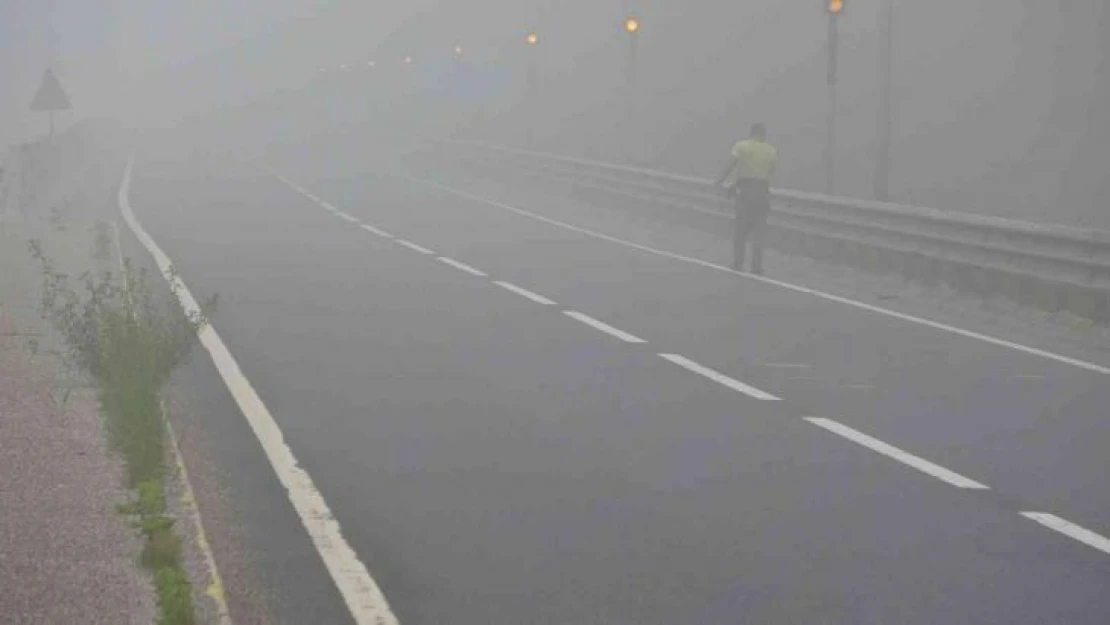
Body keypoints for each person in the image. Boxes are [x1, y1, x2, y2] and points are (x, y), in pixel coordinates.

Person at [716, 123, 778, 274]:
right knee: (759, 231)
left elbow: (731, 164)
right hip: (762, 193)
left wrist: (719, 181)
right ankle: (756, 266)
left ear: (751, 133)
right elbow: (771, 171)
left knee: (740, 229)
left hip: (745, 191)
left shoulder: (741, 146)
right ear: (763, 134)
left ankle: (738, 262)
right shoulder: (771, 150)